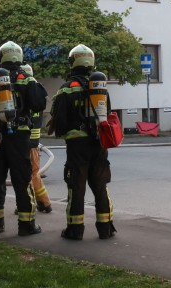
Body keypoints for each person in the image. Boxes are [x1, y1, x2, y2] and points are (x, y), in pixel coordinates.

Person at [0, 41, 45, 236]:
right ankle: (27, 225)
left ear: (1, 57)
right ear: (19, 57)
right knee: (22, 181)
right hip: (20, 138)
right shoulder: (26, 77)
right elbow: (39, 103)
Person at [50, 44, 116, 240]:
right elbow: (108, 113)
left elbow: (59, 122)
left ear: (72, 62)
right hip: (99, 144)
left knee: (76, 188)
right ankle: (106, 229)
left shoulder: (66, 89)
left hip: (77, 147)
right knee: (100, 187)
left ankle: (75, 230)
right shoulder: (100, 87)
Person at [20, 63, 52, 214]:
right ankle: (38, 202)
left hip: (26, 143)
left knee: (30, 175)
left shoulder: (25, 96)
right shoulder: (36, 94)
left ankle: (43, 203)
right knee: (31, 174)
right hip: (33, 143)